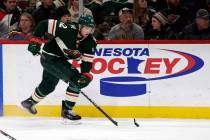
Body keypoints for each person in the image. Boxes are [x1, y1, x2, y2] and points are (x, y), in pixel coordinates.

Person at [20, 15, 97, 121]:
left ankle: (29, 102)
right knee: (76, 79)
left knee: (49, 85)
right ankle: (67, 110)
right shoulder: (67, 28)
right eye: (87, 28)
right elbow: (44, 24)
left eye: (91, 28)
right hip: (49, 57)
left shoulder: (90, 42)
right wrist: (35, 40)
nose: (89, 31)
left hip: (58, 60)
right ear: (80, 26)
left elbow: (87, 62)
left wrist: (85, 74)